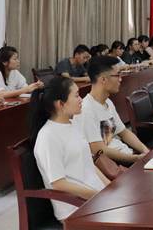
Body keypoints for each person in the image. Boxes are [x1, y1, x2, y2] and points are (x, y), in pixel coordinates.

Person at [30, 77, 109, 221]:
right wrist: (97, 196)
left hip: (95, 199)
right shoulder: (48, 136)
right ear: (60, 104)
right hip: (75, 208)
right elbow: (58, 184)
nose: (81, 99)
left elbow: (88, 164)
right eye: (76, 95)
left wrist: (109, 187)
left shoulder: (72, 124)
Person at [72, 56, 150, 165]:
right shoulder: (86, 109)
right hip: (112, 165)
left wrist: (146, 151)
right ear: (103, 79)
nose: (120, 79)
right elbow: (99, 150)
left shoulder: (107, 102)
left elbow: (124, 132)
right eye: (117, 75)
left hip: (126, 156)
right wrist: (134, 158)